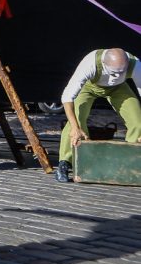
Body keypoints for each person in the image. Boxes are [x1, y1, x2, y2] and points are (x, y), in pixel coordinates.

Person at [55, 48, 141, 183]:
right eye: (113, 73)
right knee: (76, 120)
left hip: (119, 89)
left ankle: (132, 161)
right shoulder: (90, 63)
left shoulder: (135, 64)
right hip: (90, 87)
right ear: (104, 64)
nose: (116, 77)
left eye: (121, 73)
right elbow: (67, 97)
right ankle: (65, 162)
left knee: (138, 121)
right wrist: (75, 127)